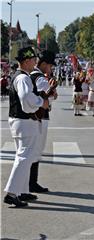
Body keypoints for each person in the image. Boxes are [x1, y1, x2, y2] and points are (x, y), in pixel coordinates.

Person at [3, 47, 49, 207]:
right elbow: (25, 97)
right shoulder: (23, 78)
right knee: (24, 157)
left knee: (24, 156)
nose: (36, 63)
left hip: (20, 121)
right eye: (34, 60)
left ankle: (21, 191)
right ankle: (12, 192)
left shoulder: (21, 76)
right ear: (27, 61)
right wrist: (40, 103)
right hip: (25, 121)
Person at [29, 50, 58, 194]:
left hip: (32, 117)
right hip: (41, 116)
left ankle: (30, 182)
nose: (51, 69)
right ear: (44, 64)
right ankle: (31, 183)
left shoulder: (31, 75)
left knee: (34, 150)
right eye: (50, 66)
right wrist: (53, 91)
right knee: (37, 149)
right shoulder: (40, 78)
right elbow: (48, 97)